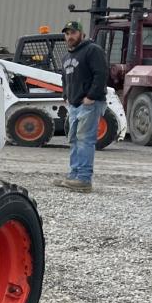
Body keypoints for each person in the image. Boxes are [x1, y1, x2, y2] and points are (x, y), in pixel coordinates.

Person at [53, 20, 108, 192]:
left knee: (85, 140)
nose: (70, 36)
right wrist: (65, 95)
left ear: (81, 34)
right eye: (67, 33)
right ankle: (74, 175)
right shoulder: (67, 56)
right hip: (75, 104)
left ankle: (84, 179)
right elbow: (65, 79)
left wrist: (91, 96)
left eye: (73, 33)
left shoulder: (92, 50)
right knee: (74, 139)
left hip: (89, 104)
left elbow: (101, 74)